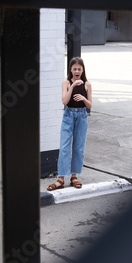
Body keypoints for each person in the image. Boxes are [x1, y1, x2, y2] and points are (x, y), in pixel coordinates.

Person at [47, 57, 92, 191]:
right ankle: (61, 179)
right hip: (68, 116)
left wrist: (84, 98)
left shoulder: (87, 84)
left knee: (78, 147)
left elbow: (90, 104)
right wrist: (72, 86)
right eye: (74, 69)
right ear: (71, 70)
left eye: (79, 69)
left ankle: (74, 176)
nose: (77, 71)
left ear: (82, 70)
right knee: (64, 147)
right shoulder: (66, 83)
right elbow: (64, 101)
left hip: (82, 116)